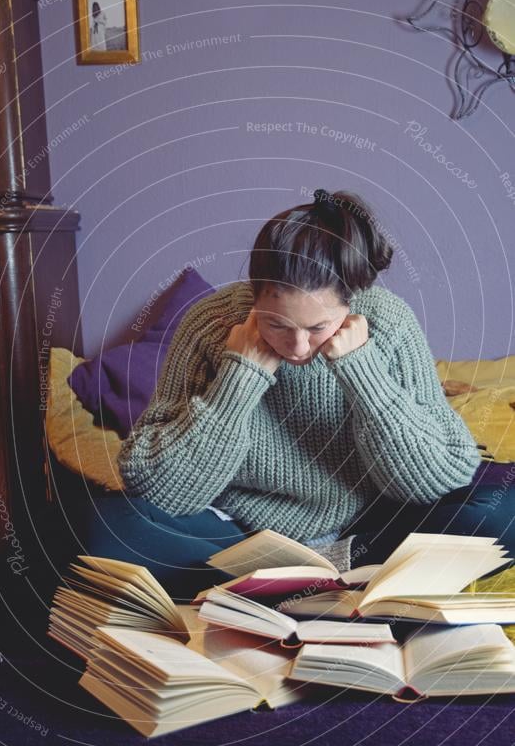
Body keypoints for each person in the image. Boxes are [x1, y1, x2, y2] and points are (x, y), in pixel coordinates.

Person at [82, 189, 515, 599]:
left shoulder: (389, 324)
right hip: (238, 533)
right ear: (254, 295)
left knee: (502, 513)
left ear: (351, 302)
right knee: (109, 526)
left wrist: (365, 373)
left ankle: (287, 579)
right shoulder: (211, 324)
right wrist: (240, 375)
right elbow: (157, 486)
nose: (298, 347)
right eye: (278, 326)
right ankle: (292, 579)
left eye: (317, 328)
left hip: (363, 529)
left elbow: (440, 474)